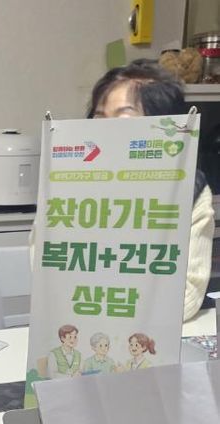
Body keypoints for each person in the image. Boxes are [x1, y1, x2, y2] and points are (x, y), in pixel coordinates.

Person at [87, 60, 215, 321]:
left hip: (153, 332)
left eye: (123, 119)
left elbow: (188, 293)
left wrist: (120, 309)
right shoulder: (66, 184)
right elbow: (49, 278)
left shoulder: (191, 190)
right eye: (100, 118)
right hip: (83, 321)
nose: (107, 131)